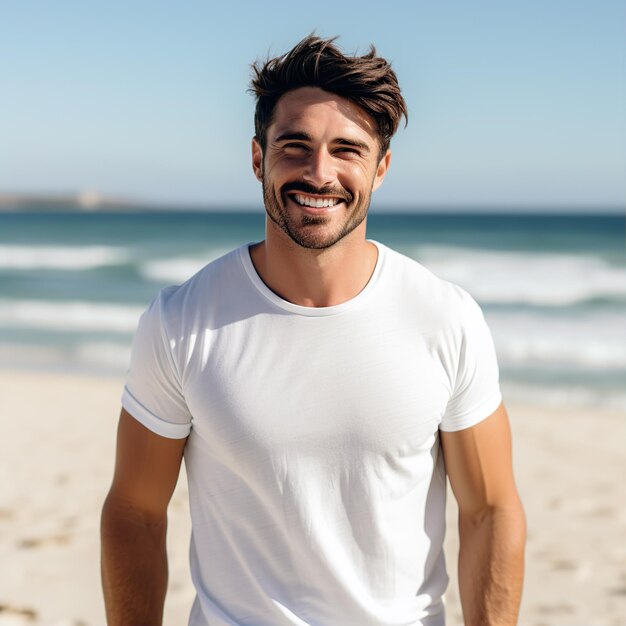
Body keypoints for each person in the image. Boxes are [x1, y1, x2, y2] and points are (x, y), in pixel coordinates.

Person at [101, 35, 526, 626]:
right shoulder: (181, 322)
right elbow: (135, 512)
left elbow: (490, 510)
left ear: (380, 168)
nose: (319, 173)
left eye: (346, 150)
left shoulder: (445, 319)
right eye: (294, 146)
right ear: (258, 158)